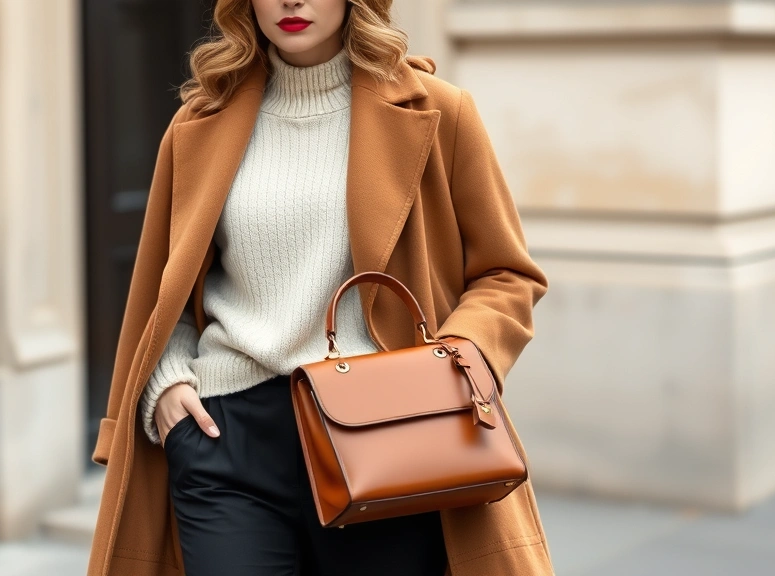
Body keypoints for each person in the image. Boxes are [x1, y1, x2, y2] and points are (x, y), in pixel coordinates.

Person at [88, 0, 554, 575]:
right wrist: (166, 384)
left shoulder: (440, 111)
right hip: (226, 436)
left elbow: (507, 275)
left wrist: (447, 370)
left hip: (384, 431)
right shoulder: (198, 122)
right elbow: (169, 288)